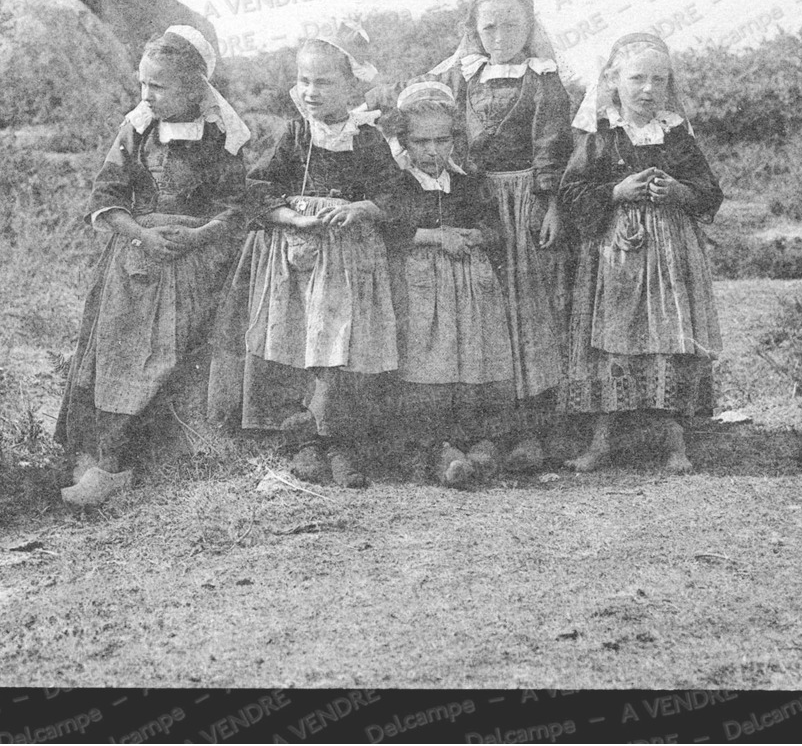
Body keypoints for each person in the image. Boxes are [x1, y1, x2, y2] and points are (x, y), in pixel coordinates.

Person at [383, 0, 574, 472]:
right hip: (473, 192)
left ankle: (531, 428)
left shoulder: (542, 78)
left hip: (525, 198)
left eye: (511, 24)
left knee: (528, 309)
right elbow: (425, 114)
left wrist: (549, 202)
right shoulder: (463, 75)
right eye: (488, 26)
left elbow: (552, 144)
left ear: (531, 27)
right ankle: (479, 426)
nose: (500, 34)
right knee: (481, 318)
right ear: (474, 30)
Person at [55, 27, 251, 506]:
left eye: (159, 86)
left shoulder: (221, 138)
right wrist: (142, 234)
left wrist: (198, 235)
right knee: (120, 353)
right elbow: (107, 196)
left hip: (198, 264)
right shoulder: (137, 131)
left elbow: (238, 205)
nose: (147, 95)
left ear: (195, 88)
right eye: (143, 84)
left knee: (178, 357)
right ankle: (106, 461)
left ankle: (165, 458)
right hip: (136, 263)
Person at [208, 25, 398, 488]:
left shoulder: (368, 139)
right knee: (301, 343)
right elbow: (258, 188)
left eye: (325, 83)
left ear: (353, 87)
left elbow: (396, 191)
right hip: (297, 258)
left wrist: (363, 207)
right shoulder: (295, 135)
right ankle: (305, 442)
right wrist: (293, 217)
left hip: (350, 260)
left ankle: (340, 440)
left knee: (341, 347)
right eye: (305, 81)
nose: (311, 93)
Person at [558, 31, 723, 472]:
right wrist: (615, 190)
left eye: (659, 80)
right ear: (613, 81)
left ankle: (674, 442)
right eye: (637, 79)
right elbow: (571, 192)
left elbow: (710, 193)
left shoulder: (676, 136)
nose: (648, 89)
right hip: (616, 254)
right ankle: (602, 440)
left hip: (671, 253)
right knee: (614, 338)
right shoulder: (600, 135)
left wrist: (679, 190)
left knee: (667, 337)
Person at [374, 81, 513, 487]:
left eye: (442, 140)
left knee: (472, 357)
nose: (432, 151)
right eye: (421, 142)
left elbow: (495, 228)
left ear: (454, 139)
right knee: (428, 358)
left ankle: (480, 444)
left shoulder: (468, 183)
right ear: (404, 142)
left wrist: (476, 236)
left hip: (471, 291)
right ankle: (438, 448)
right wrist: (438, 237)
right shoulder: (398, 186)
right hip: (421, 291)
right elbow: (391, 229)